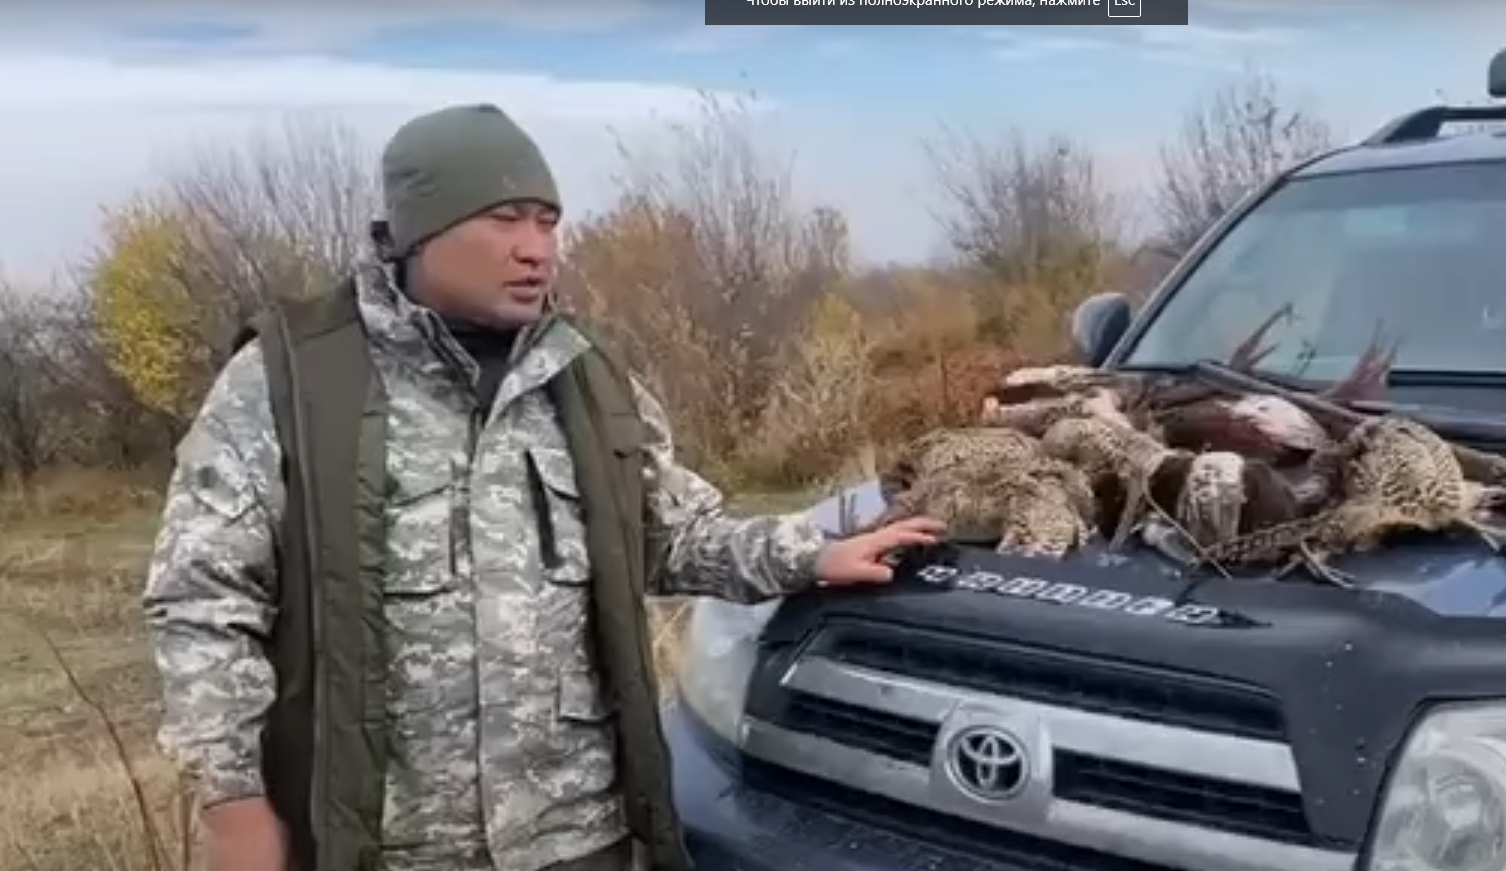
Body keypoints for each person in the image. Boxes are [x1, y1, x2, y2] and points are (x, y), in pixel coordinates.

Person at [140, 102, 945, 871]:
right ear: (421, 230)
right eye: (505, 219)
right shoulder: (292, 378)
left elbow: (668, 534)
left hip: (579, 836)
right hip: (386, 845)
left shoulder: (585, 376)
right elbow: (203, 600)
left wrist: (813, 553)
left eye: (548, 221)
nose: (537, 249)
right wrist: (236, 805)